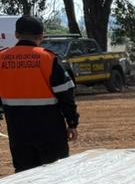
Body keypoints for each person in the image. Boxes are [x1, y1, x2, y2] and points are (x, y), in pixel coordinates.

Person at [0, 15, 79, 172]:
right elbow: (66, 94)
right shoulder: (48, 58)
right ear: (42, 36)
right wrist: (72, 123)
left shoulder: (1, 58)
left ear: (16, 35)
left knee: (25, 178)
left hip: (18, 132)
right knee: (56, 175)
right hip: (50, 131)